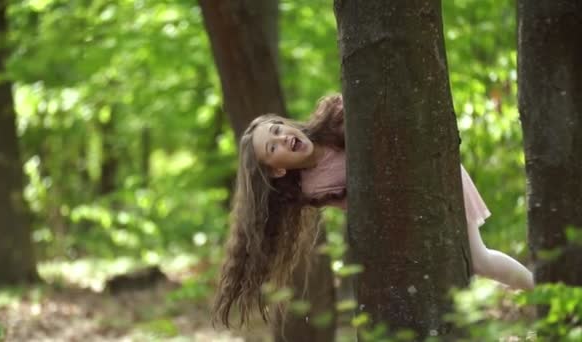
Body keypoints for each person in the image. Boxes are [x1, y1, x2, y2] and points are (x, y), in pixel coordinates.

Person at [212, 94, 534, 328]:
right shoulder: (311, 189)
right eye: (273, 147)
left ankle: (546, 293)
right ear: (277, 171)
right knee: (446, 271)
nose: (283, 138)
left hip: (432, 178)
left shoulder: (332, 121)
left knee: (478, 260)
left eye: (278, 129)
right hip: (407, 213)